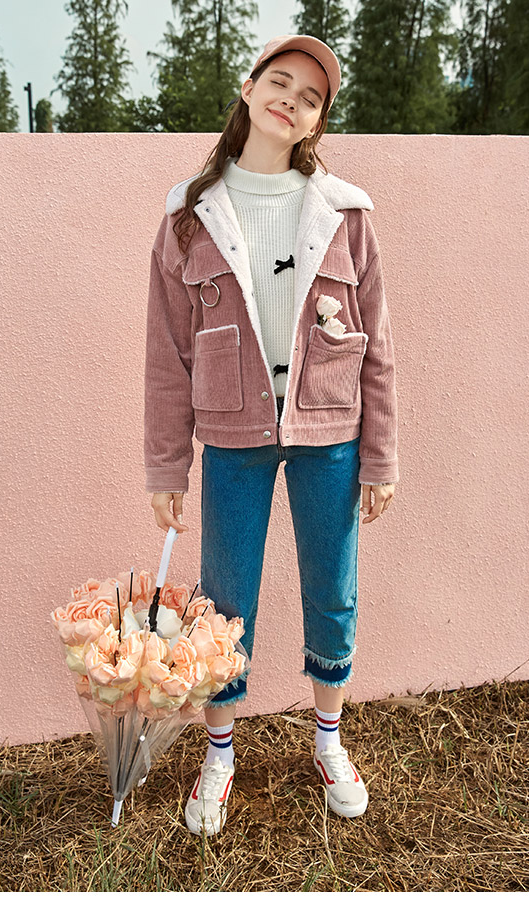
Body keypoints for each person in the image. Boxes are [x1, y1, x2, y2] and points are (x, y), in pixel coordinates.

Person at [144, 35, 398, 836]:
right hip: (233, 434)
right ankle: (219, 753)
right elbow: (166, 354)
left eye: (311, 97)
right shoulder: (188, 217)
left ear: (318, 122)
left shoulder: (346, 214)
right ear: (249, 88)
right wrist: (166, 465)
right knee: (224, 600)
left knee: (334, 589)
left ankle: (329, 741)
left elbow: (379, 346)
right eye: (280, 82)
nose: (292, 100)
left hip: (331, 431)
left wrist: (382, 456)